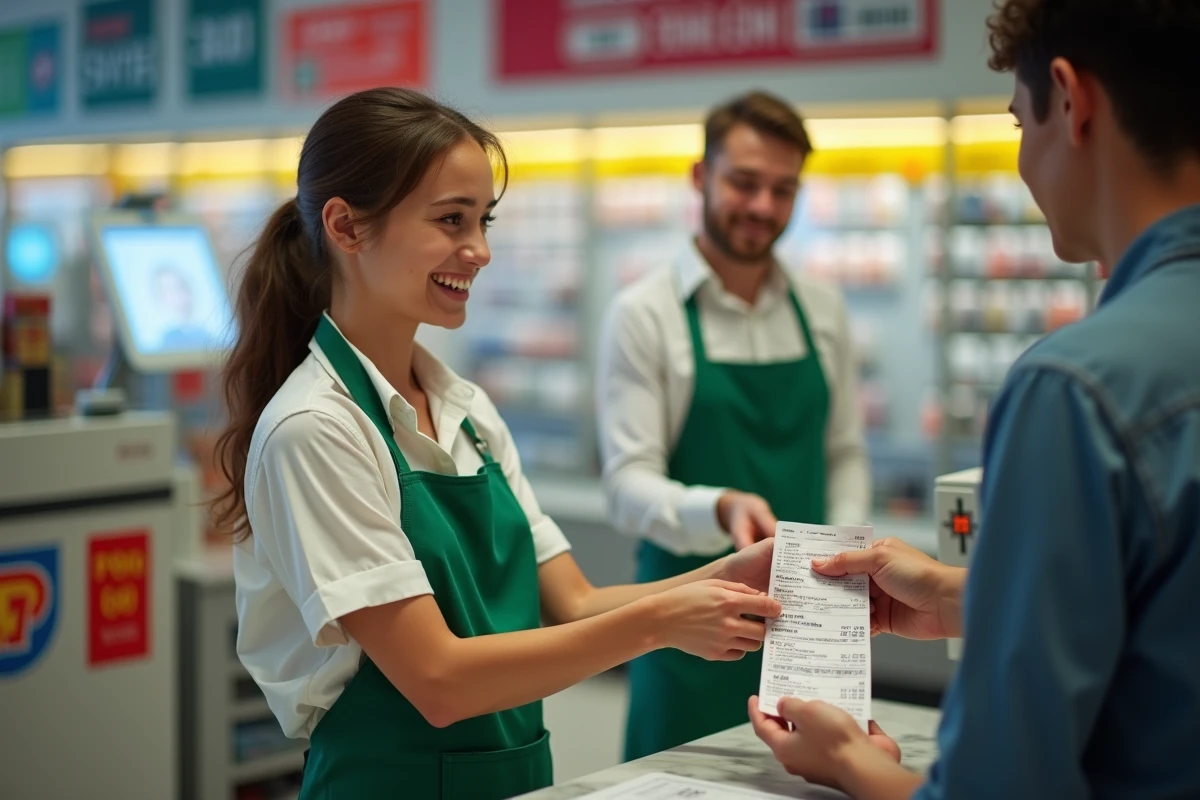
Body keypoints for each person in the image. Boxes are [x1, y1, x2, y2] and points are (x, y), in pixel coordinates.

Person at [214, 88, 784, 800]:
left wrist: (733, 574)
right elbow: (439, 680)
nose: (478, 251)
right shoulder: (316, 430)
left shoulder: (467, 410)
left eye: (482, 221)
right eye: (450, 220)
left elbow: (574, 603)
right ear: (347, 227)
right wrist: (664, 622)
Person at [748, 1, 1200, 798]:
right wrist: (974, 596)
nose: (1024, 159)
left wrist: (849, 764)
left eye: (1021, 123)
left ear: (1070, 98)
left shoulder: (1076, 390)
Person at [596, 90, 870, 760]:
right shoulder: (646, 314)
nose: (763, 208)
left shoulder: (823, 310)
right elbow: (627, 484)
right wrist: (716, 508)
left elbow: (844, 453)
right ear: (700, 176)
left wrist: (848, 561)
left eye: (784, 189)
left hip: (808, 628)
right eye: (744, 183)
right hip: (689, 629)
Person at [152, 264, 211, 350]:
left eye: (180, 286)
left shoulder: (206, 335)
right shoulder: (166, 338)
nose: (177, 294)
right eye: (168, 290)